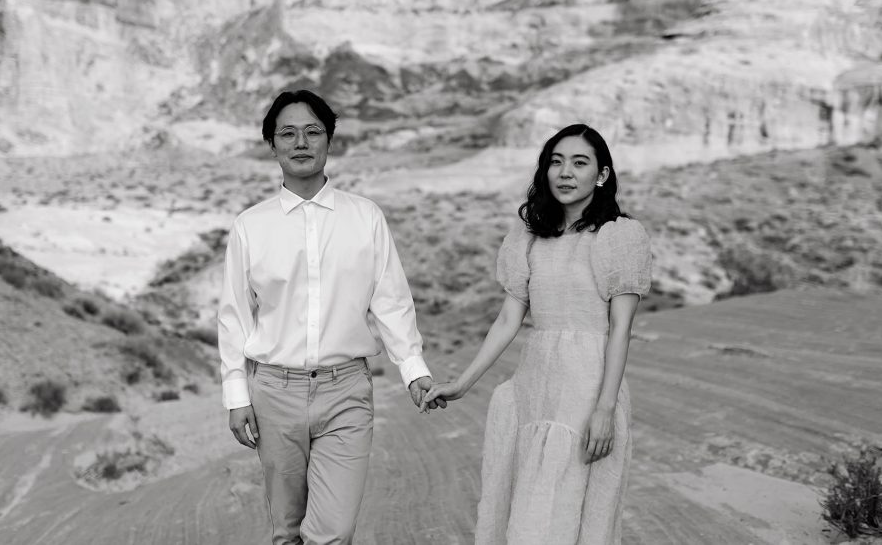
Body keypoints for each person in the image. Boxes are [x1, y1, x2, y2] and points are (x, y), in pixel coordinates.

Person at [217, 88, 443, 545]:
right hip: (274, 394)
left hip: (347, 391)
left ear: (329, 140)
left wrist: (413, 368)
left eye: (312, 131)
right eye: (288, 133)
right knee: (286, 531)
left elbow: (390, 299)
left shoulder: (365, 217)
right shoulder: (250, 226)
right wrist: (236, 393)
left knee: (332, 533)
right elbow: (235, 316)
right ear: (273, 145)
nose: (301, 142)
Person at [423, 123, 652, 545]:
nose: (565, 172)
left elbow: (620, 329)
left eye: (579, 163)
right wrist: (462, 383)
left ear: (601, 175)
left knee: (574, 520)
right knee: (526, 515)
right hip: (534, 389)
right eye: (556, 161)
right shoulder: (529, 237)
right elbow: (508, 320)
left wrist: (603, 409)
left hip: (587, 393)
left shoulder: (618, 236)